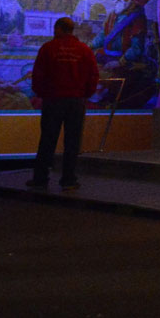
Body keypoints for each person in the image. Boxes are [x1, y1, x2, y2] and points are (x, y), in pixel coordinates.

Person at [27, 17, 99, 191]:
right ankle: (68, 180)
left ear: (59, 29)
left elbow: (38, 75)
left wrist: (42, 94)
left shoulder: (48, 48)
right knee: (72, 142)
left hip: (53, 100)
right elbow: (93, 76)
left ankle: (40, 178)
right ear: (72, 30)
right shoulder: (84, 50)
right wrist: (84, 95)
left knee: (47, 140)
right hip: (76, 101)